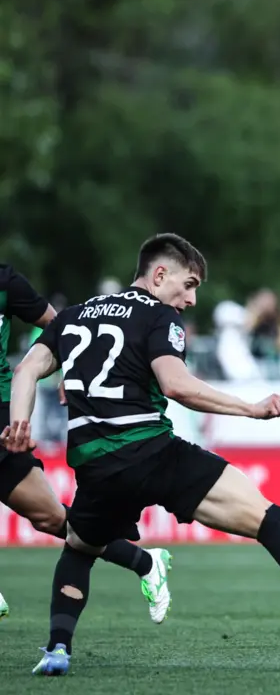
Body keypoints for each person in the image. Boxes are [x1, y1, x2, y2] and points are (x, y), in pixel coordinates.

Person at [1, 234, 280, 676]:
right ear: (159, 274)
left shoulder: (75, 315)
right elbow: (177, 385)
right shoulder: (159, 316)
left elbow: (26, 368)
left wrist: (20, 422)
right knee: (269, 520)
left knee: (79, 546)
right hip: (151, 452)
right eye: (188, 285)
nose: (190, 299)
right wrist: (249, 408)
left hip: (95, 466)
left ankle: (57, 650)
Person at [0, 265, 171, 625]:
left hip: (2, 417)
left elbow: (60, 328)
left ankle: (145, 561)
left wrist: (75, 368)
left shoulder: (6, 281)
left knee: (49, 517)